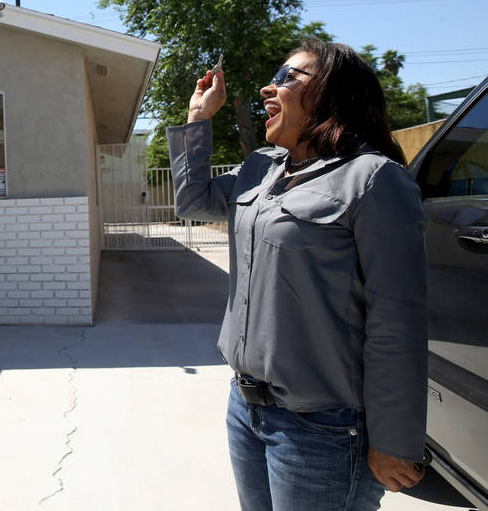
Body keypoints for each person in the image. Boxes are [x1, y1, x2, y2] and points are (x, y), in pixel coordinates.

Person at [168, 38, 428, 510]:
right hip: (246, 409)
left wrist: (394, 438)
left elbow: (397, 320)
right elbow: (191, 202)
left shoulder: (372, 178)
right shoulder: (261, 170)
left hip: (324, 428)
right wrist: (198, 119)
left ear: (333, 94)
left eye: (290, 76)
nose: (271, 87)